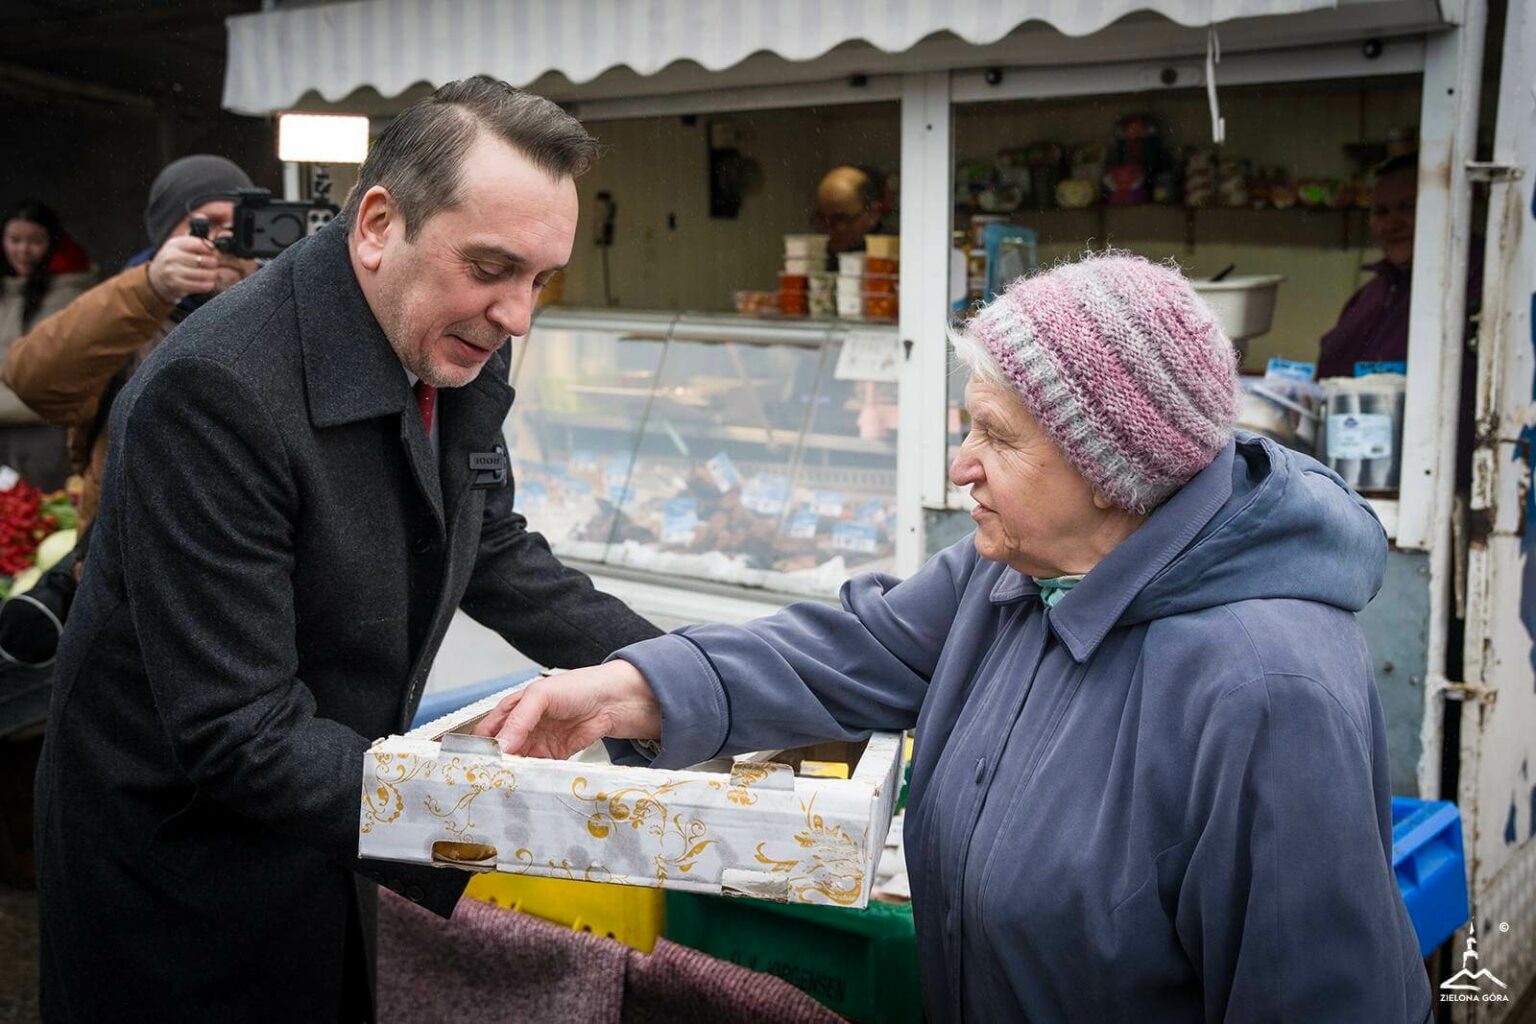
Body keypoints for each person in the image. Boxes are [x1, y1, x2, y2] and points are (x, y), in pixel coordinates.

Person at [477, 253, 1433, 1022]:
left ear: (1111, 470)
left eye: (998, 437)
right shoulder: (1012, 574)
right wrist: (624, 690)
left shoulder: (1266, 691)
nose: (962, 465)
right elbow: (851, 651)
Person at [34, 77, 661, 1022]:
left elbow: (493, 549)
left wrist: (678, 680)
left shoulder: (435, 340)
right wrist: (508, 820)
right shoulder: (214, 393)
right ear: (377, 224)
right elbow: (238, 732)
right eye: (491, 268)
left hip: (327, 815)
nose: (519, 315)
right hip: (182, 870)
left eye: (540, 279)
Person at [3, 155, 259, 534]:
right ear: (165, 238)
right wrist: (151, 288)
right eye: (204, 225)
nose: (223, 241)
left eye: (238, 225)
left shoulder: (278, 309)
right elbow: (31, 379)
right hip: (132, 544)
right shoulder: (125, 311)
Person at [0, 200, 93, 486]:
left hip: (43, 431)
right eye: (14, 240)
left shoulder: (69, 295)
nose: (22, 251)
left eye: (35, 241)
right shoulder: (5, 290)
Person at [1315, 153, 1419, 378]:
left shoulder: (1474, 286)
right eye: (1381, 212)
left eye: (1408, 208)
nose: (1392, 224)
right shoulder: (1369, 295)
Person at [814, 164, 890, 256]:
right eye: (822, 219)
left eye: (840, 219)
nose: (829, 232)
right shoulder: (820, 255)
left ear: (873, 213)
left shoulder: (897, 253)